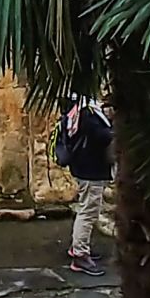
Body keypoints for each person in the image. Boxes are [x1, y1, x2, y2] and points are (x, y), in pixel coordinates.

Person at [56, 98, 113, 269]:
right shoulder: (87, 114)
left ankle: (78, 247)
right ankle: (80, 255)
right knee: (88, 213)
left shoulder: (76, 111)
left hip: (84, 169)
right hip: (91, 172)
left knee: (85, 209)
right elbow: (100, 137)